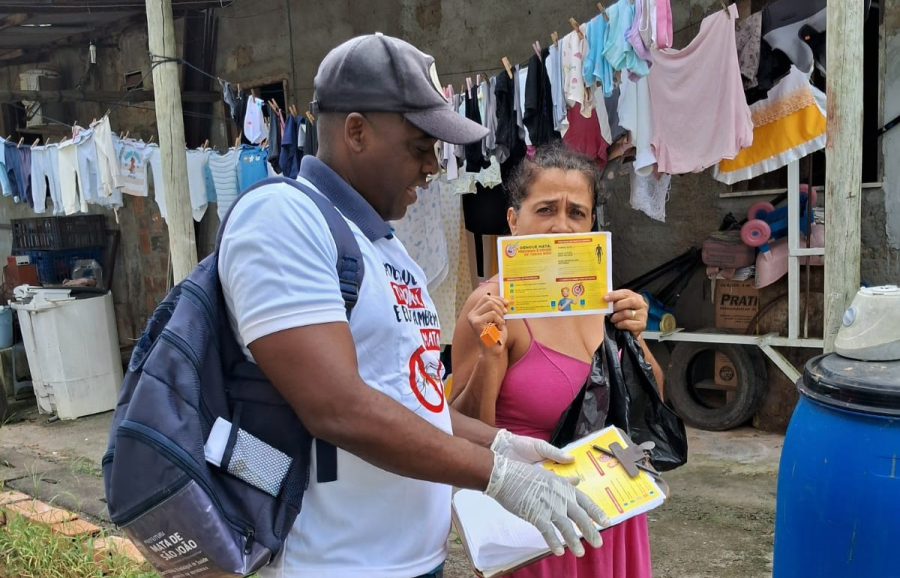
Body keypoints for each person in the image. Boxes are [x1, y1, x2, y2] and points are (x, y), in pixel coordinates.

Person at [217, 35, 608, 578]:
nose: (432, 167)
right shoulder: (285, 218)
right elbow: (337, 408)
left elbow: (416, 405)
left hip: (413, 559)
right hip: (339, 563)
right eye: (420, 146)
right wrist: (495, 474)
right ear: (357, 132)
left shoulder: (388, 249)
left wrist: (501, 444)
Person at [449, 143, 666, 578]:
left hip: (614, 508)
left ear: (591, 224)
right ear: (514, 220)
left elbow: (651, 401)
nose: (562, 226)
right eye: (546, 209)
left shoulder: (602, 299)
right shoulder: (490, 307)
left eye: (577, 213)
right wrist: (491, 354)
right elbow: (462, 431)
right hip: (538, 526)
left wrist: (636, 338)